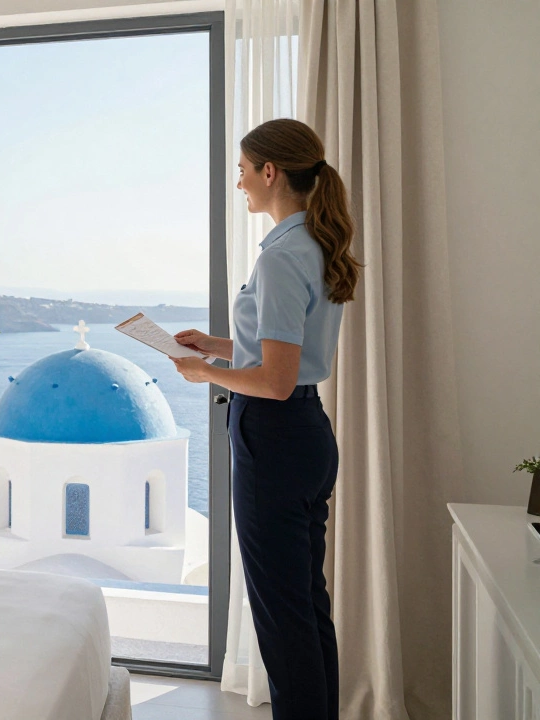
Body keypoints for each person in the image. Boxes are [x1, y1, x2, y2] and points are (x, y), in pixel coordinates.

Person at [170, 118, 360, 720]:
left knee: (281, 613)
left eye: (244, 171)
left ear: (271, 173)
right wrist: (217, 345)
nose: (240, 184)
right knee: (304, 602)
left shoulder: (281, 257)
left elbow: (274, 381)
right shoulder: (311, 244)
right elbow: (285, 356)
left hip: (273, 437)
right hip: (305, 434)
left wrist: (206, 374)